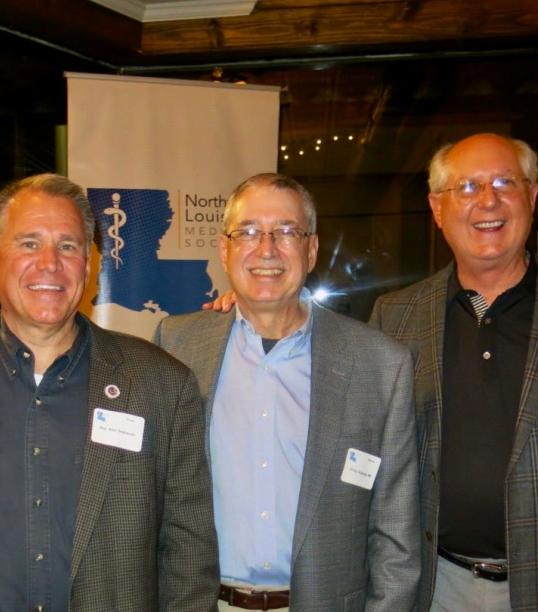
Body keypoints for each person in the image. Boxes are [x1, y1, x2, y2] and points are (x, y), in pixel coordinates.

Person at [0, 173, 219, 611]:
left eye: (68, 246)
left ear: (89, 264)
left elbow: (188, 551)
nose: (49, 263)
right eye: (29, 243)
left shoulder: (160, 383)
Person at [369, 133, 538, 611]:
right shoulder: (395, 318)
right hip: (433, 588)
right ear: (437, 208)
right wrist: (254, 314)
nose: (487, 200)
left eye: (503, 182)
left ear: (532, 197)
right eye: (467, 187)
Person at [155, 173, 420, 611]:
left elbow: (397, 534)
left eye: (286, 232)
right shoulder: (178, 344)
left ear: (311, 249)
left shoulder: (379, 365)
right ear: (224, 250)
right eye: (249, 232)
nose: (266, 249)